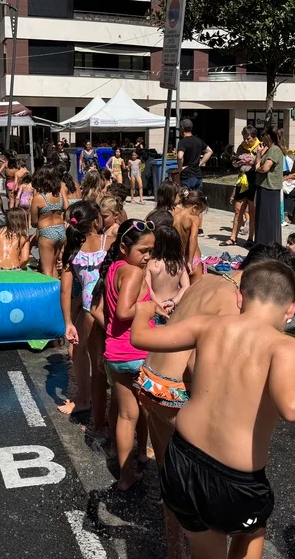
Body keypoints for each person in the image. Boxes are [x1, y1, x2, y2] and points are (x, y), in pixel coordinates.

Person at [131, 260, 295, 559]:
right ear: (291, 309)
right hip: (234, 479)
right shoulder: (283, 346)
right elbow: (293, 407)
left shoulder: (208, 325)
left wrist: (144, 310)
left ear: (240, 298)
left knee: (206, 550)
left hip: (182, 459)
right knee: (252, 531)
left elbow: (140, 337)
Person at [93, 219, 156, 492]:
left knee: (127, 415)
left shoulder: (114, 269)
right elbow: (123, 312)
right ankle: (147, 458)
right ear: (123, 247)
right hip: (138, 352)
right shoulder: (133, 272)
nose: (148, 256)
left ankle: (126, 475)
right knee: (151, 412)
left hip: (116, 354)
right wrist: (151, 307)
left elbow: (105, 312)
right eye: (143, 250)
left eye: (151, 250)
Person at [59, 200, 108, 427]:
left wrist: (67, 321)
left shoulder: (71, 249)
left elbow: (65, 289)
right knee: (100, 355)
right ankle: (95, 400)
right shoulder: (109, 242)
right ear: (96, 221)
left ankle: (86, 398)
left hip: (89, 305)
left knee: (80, 352)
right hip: (107, 301)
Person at [222, 126, 260, 247]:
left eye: (248, 139)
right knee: (238, 210)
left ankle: (250, 238)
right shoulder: (241, 147)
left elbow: (262, 164)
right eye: (244, 138)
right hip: (242, 179)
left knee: (252, 211)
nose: (246, 141)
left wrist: (253, 161)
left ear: (254, 137)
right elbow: (235, 163)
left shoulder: (260, 146)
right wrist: (237, 163)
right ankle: (233, 238)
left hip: (253, 179)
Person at [30, 167, 67, 278]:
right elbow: (66, 207)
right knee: (54, 266)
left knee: (46, 270)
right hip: (61, 230)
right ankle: (58, 288)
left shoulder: (38, 198)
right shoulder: (59, 195)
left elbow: (34, 222)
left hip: (47, 233)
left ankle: (51, 289)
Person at [144, 225, 190, 316]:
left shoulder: (150, 263)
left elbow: (147, 288)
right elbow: (186, 286)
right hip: (174, 306)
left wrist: (159, 304)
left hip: (156, 305)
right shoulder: (179, 263)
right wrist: (173, 302)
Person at [254, 126, 284, 246]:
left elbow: (265, 168)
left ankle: (267, 244)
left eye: (263, 135)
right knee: (262, 218)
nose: (261, 138)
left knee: (267, 219)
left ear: (268, 136)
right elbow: (258, 163)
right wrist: (259, 153)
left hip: (270, 188)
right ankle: (262, 243)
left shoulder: (274, 150)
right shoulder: (269, 150)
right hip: (264, 187)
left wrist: (257, 167)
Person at [174, 190, 207, 281]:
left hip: (180, 259)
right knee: (196, 289)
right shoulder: (194, 218)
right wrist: (190, 261)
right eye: (200, 212)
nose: (199, 215)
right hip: (193, 258)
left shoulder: (175, 217)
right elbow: (193, 238)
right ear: (194, 207)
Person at [176, 119, 213, 192]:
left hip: (187, 176)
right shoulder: (198, 140)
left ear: (182, 128)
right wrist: (200, 163)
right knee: (197, 198)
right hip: (198, 176)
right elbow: (210, 151)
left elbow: (180, 156)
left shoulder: (182, 142)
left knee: (186, 198)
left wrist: (180, 168)